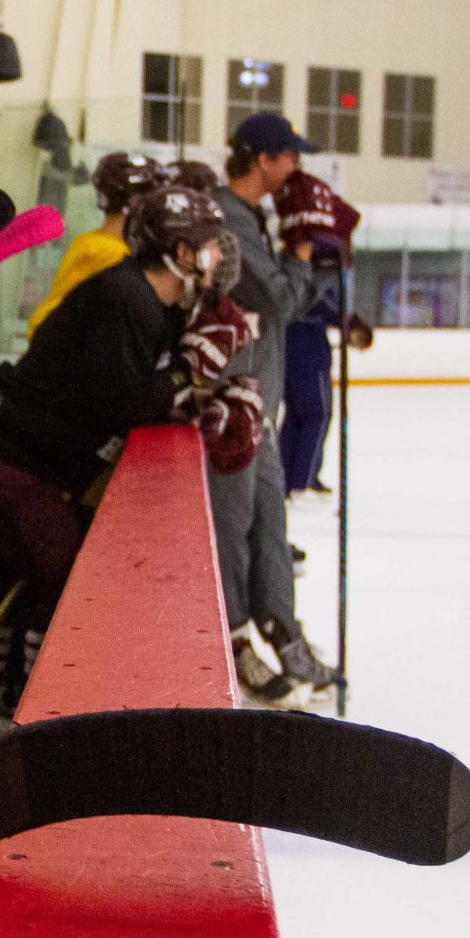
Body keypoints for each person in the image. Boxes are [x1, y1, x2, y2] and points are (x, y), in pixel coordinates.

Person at [0, 189, 222, 745]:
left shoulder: (146, 302)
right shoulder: (128, 300)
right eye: (207, 247)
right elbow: (126, 403)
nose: (214, 258)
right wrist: (188, 377)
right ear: (181, 251)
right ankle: (39, 719)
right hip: (6, 457)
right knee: (66, 580)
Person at [210, 113, 339, 705]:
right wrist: (305, 247)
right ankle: (235, 644)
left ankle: (280, 631)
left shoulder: (250, 219)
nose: (297, 169)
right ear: (264, 159)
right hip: (234, 404)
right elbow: (279, 296)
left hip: (258, 400)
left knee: (269, 528)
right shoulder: (227, 220)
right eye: (290, 157)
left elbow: (283, 299)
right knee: (237, 532)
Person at [273, 171, 364, 493]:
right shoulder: (321, 257)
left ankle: (290, 475)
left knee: (301, 412)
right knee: (315, 411)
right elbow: (312, 302)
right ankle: (302, 477)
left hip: (294, 341)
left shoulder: (302, 255)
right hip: (306, 343)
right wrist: (343, 319)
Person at [28, 151, 168, 336]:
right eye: (153, 198)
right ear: (134, 201)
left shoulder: (91, 242)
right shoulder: (108, 253)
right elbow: (48, 323)